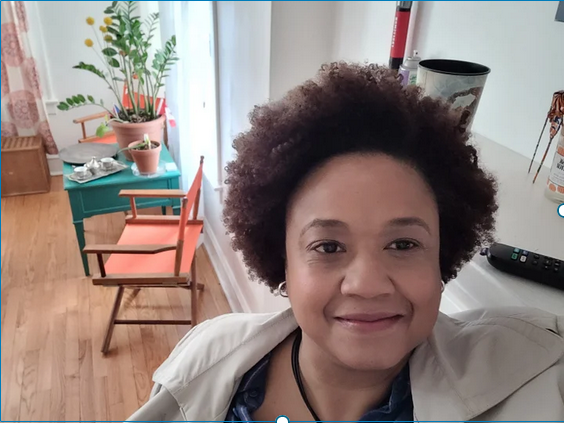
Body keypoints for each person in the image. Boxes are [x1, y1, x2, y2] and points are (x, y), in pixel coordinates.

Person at [128, 63, 564, 422]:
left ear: (442, 255)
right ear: (283, 261)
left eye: (404, 244)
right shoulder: (199, 361)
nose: (367, 285)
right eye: (328, 247)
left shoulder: (540, 373)